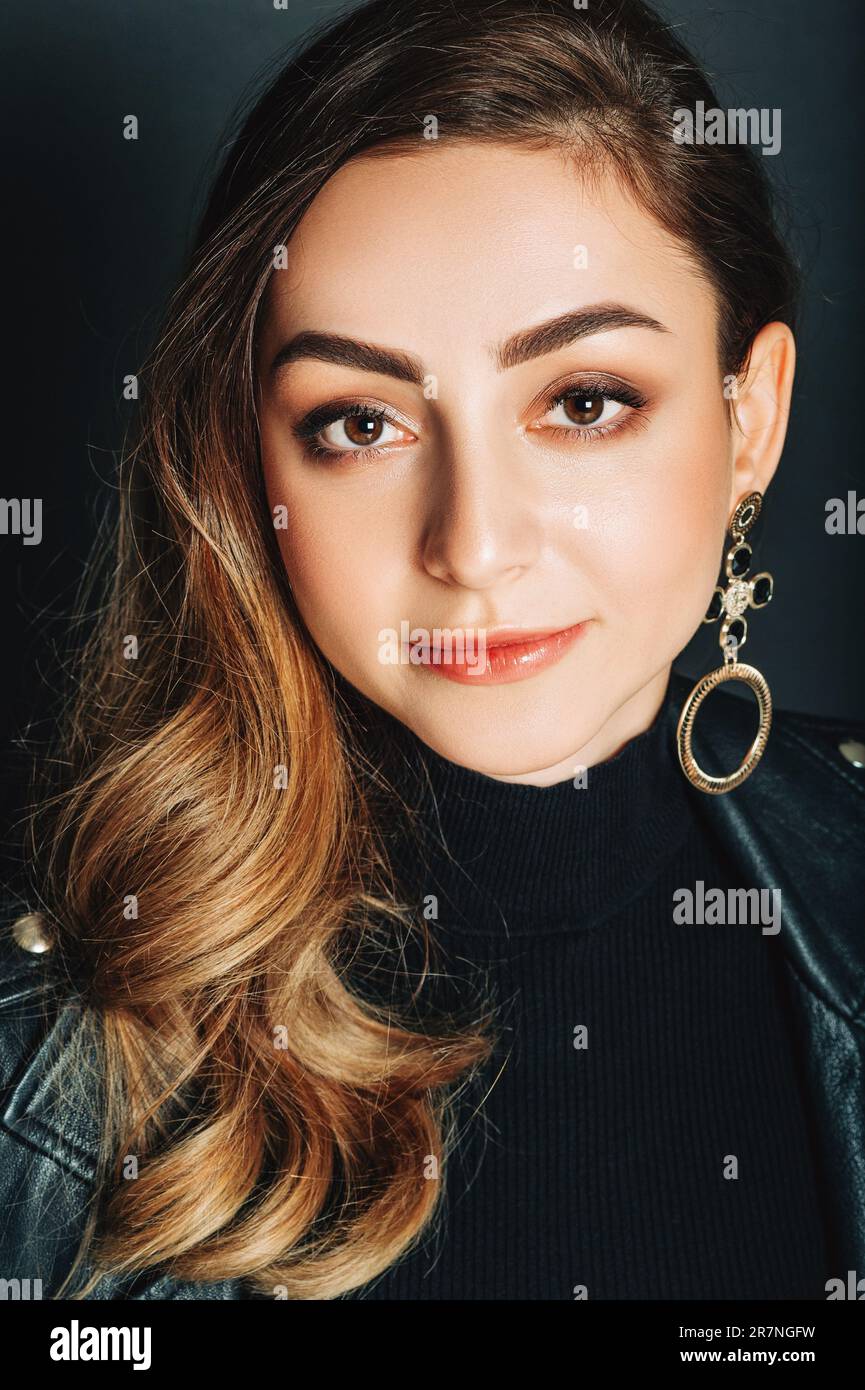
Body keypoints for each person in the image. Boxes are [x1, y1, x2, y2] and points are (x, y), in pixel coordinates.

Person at [2, 0, 864, 1302]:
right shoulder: (44, 1063)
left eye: (581, 402)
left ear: (752, 423)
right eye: (358, 422)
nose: (470, 544)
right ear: (252, 465)